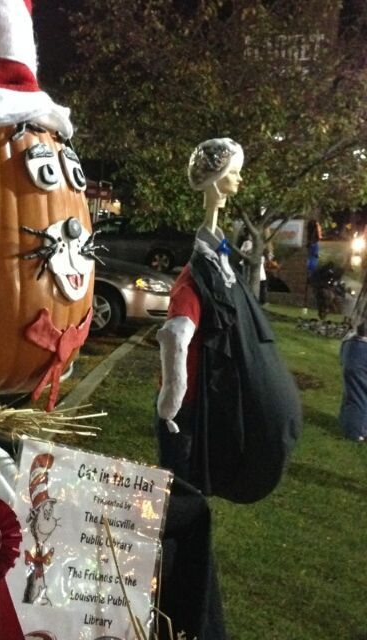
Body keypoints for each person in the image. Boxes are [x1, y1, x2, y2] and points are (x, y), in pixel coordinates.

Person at [155, 138, 301, 503]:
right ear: (217, 180)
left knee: (188, 487)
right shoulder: (196, 276)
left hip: (202, 399)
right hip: (187, 407)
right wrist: (170, 402)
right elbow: (176, 334)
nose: (239, 180)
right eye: (234, 172)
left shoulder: (218, 263)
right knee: (178, 490)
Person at [339, 270, 367, 442]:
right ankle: (356, 433)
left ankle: (350, 426)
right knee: (359, 394)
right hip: (361, 347)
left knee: (354, 393)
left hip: (352, 345)